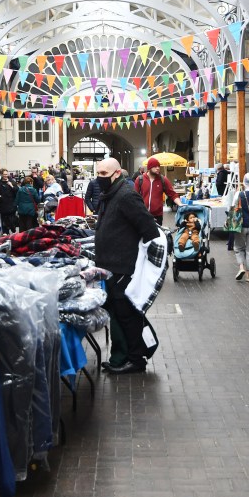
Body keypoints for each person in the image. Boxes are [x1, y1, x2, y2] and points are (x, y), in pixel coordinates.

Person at [94, 157, 160, 375]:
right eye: (98, 173)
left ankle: (136, 359)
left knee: (128, 316)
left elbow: (149, 229)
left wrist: (133, 259)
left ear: (116, 174)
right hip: (110, 268)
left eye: (103, 174)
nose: (99, 178)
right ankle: (120, 357)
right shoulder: (110, 195)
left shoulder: (126, 195)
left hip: (123, 269)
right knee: (117, 315)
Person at [134, 156, 183, 225]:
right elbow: (134, 197)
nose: (158, 168)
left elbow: (172, 194)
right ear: (149, 168)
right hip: (142, 215)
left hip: (157, 216)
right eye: (155, 166)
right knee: (143, 235)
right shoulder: (140, 179)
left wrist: (180, 204)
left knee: (157, 235)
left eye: (158, 166)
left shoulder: (163, 180)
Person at [0, 169, 18, 235]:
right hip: (3, 204)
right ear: (1, 175)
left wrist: (11, 186)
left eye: (6, 174)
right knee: (4, 219)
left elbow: (17, 191)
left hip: (11, 204)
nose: (5, 176)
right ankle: (5, 232)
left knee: (12, 219)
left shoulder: (12, 181)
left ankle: (13, 228)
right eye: (4, 174)